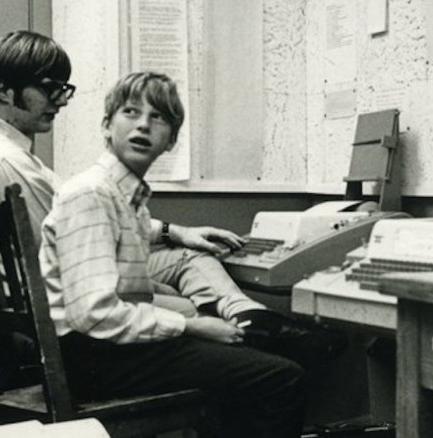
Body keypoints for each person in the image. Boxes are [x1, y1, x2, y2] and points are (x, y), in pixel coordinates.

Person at [0, 29, 276, 331]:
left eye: (63, 90)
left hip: (24, 310)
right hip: (50, 317)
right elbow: (78, 247)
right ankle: (250, 321)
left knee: (186, 257)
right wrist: (167, 297)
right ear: (4, 91)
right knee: (202, 311)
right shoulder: (6, 163)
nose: (60, 102)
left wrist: (172, 232)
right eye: (49, 90)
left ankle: (245, 311)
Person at [39, 71, 306, 437]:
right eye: (130, 112)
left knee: (258, 351)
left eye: (158, 117)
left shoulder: (123, 196)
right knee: (282, 378)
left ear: (171, 141)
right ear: (106, 126)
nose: (143, 126)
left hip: (105, 349)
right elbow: (94, 314)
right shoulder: (91, 194)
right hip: (94, 357)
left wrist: (176, 236)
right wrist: (193, 325)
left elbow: (124, 233)